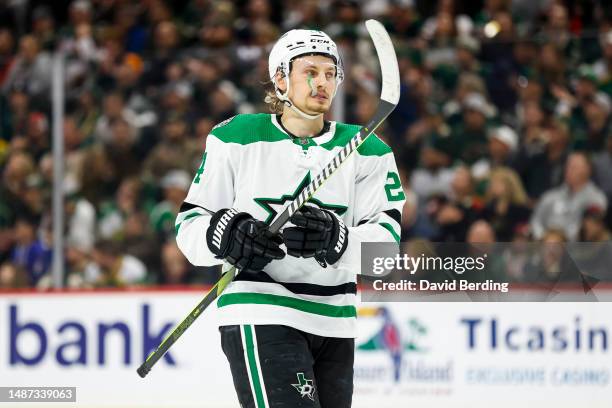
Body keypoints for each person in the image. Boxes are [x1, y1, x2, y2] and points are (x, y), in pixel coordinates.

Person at [175, 29, 404, 408]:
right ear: (280, 79)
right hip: (260, 305)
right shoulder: (236, 137)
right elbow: (189, 227)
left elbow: (384, 257)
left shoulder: (369, 150)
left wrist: (339, 241)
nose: (323, 83)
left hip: (335, 321)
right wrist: (224, 235)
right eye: (310, 72)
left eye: (331, 74)